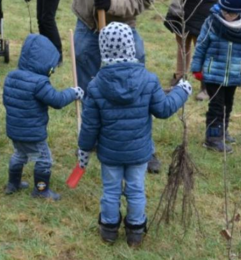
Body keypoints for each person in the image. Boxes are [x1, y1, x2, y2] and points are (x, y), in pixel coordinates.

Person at [51, 0, 164, 173]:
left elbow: (142, 0)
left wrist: (112, 3)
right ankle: (93, 137)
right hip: (88, 23)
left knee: (135, 84)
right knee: (89, 80)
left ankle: (143, 147)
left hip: (123, 27)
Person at [77, 23, 191, 247]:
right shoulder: (148, 80)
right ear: (131, 47)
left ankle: (109, 229)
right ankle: (135, 231)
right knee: (136, 189)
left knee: (110, 190)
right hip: (139, 153)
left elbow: (90, 125)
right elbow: (164, 109)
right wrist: (181, 91)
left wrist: (84, 150)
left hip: (110, 153)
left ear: (103, 49)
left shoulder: (96, 85)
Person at [3, 34, 83, 201]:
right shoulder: (39, 83)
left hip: (14, 130)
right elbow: (57, 100)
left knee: (19, 154)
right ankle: (41, 190)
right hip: (33, 133)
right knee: (44, 160)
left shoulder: (11, 77)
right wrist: (73, 92)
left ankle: (13, 184)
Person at [191, 0, 241, 153]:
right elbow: (201, 44)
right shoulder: (212, 22)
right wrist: (197, 68)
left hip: (233, 74)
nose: (227, 15)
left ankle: (223, 131)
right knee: (216, 106)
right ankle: (212, 138)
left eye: (232, 13)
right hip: (213, 73)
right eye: (225, 11)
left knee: (228, 104)